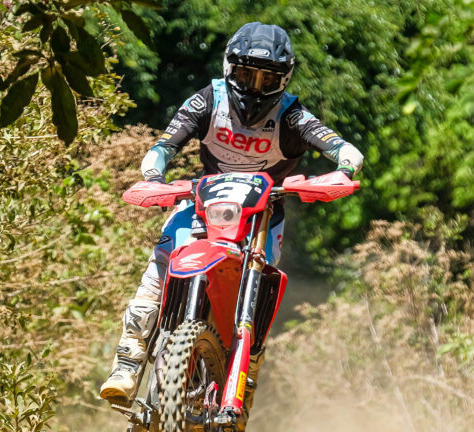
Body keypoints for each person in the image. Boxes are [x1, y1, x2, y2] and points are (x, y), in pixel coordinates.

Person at [100, 21, 364, 410]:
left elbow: (345, 149)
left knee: (263, 281)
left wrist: (342, 171)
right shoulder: (207, 100)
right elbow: (163, 147)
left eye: (267, 79)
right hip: (203, 207)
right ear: (229, 68)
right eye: (246, 74)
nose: (255, 87)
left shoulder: (292, 115)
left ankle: (248, 369)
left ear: (284, 80)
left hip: (261, 218)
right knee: (159, 265)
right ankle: (128, 362)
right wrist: (155, 178)